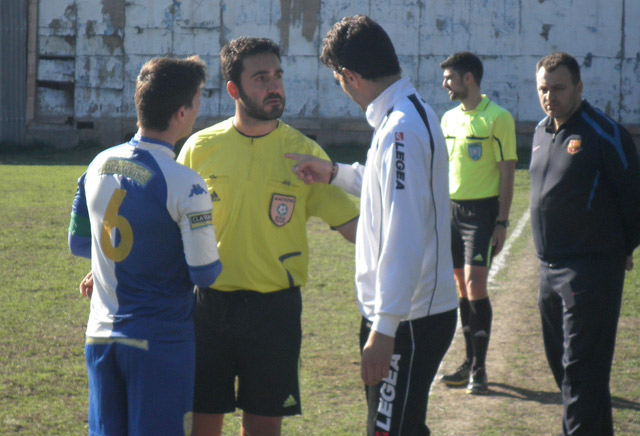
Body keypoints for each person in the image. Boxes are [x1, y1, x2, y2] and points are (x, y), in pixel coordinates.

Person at [176, 37, 359, 436]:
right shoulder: (198, 149)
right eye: (260, 78)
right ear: (233, 89)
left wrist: (415, 232)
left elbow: (356, 229)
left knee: (263, 428)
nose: (274, 86)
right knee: (201, 425)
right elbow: (168, 226)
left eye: (277, 75)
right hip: (207, 308)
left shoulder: (304, 152)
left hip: (273, 313)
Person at [287, 15, 458, 436]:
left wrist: (385, 328)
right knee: (402, 426)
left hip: (410, 319)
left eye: (337, 79)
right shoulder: (406, 113)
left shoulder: (401, 128)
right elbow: (386, 186)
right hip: (405, 312)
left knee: (387, 431)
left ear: (350, 76)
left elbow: (405, 232)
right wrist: (334, 173)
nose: (341, 88)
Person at [68, 56, 223, 435]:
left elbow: (78, 243)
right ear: (183, 113)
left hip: (100, 336)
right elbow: (204, 272)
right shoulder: (186, 182)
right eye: (199, 100)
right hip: (159, 341)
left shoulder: (96, 164)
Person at [530, 52, 640, 435]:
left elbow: (633, 197)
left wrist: (622, 248)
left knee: (580, 378)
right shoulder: (541, 132)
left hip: (590, 272)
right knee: (571, 377)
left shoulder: (604, 133)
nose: (550, 96)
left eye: (559, 88)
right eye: (544, 88)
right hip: (548, 269)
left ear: (579, 87)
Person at [438, 52, 517, 394]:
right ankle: (468, 362)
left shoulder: (498, 118)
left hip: (482, 215)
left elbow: (508, 173)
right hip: (451, 213)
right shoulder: (447, 120)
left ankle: (480, 370)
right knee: (460, 288)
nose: (445, 84)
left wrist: (502, 221)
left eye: (449, 78)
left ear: (468, 78)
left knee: (475, 285)